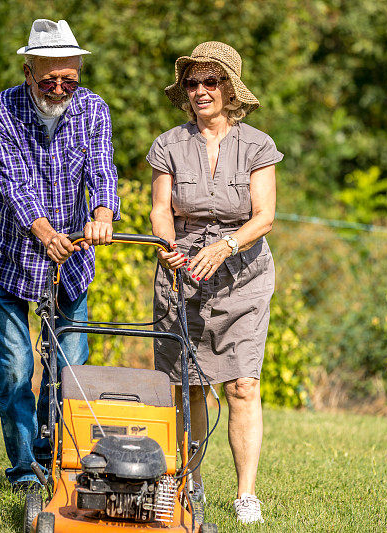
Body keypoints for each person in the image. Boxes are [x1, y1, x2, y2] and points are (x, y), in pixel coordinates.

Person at [0, 18, 120, 493]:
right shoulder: (0, 112)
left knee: (68, 370)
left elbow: (100, 166)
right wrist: (44, 231)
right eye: (49, 79)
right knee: (16, 367)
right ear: (29, 71)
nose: (59, 88)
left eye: (68, 79)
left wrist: (102, 212)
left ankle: (52, 457)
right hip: (7, 254)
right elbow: (13, 183)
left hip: (70, 261)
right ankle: (23, 475)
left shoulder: (94, 110)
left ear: (79, 72)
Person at [147, 41, 282, 525]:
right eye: (192, 83)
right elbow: (162, 209)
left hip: (242, 276)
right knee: (191, 387)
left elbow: (263, 217)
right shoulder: (168, 144)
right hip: (182, 275)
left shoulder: (257, 145)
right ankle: (191, 484)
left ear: (230, 89)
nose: (200, 91)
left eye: (211, 82)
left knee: (242, 385)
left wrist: (224, 246)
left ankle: (246, 496)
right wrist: (170, 251)